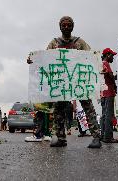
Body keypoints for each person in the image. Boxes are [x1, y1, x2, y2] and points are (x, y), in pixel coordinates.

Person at [27, 16, 101, 148]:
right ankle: (61, 137)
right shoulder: (54, 43)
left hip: (80, 83)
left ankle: (96, 137)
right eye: (64, 25)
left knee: (88, 108)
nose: (66, 27)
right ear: (60, 26)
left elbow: (91, 57)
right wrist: (34, 60)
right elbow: (45, 60)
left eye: (69, 25)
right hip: (61, 85)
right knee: (58, 111)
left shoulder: (80, 42)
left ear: (73, 26)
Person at [100, 48, 118, 143]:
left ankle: (103, 135)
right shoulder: (106, 63)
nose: (113, 58)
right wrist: (115, 85)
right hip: (109, 92)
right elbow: (111, 76)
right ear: (108, 55)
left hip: (103, 93)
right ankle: (108, 137)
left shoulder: (100, 63)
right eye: (112, 55)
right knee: (109, 115)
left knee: (104, 115)